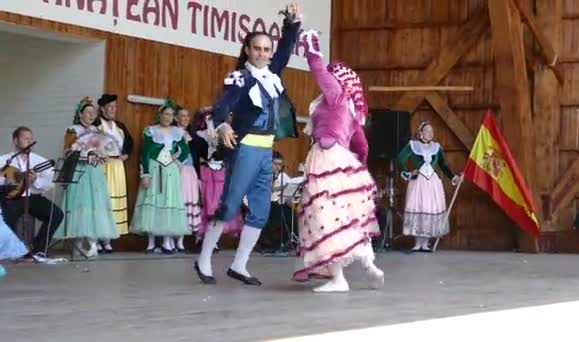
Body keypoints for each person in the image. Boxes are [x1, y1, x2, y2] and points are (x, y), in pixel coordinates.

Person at [195, 3, 302, 286]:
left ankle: (239, 265)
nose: (264, 54)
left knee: (260, 210)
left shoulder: (272, 74)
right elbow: (222, 105)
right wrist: (223, 124)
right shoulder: (239, 78)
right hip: (245, 150)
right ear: (247, 50)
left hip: (266, 150)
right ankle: (204, 259)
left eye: (267, 49)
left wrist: (291, 25)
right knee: (230, 205)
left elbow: (285, 49)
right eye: (258, 49)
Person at [291, 30, 384, 292]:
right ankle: (369, 265)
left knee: (322, 217)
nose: (327, 79)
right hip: (344, 163)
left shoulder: (335, 96)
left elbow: (318, 70)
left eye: (332, 75)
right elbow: (362, 145)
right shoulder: (352, 109)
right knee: (346, 218)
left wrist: (310, 44)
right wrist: (357, 169)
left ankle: (338, 279)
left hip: (326, 160)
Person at [54, 97, 119, 257]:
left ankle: (92, 241)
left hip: (95, 171)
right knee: (80, 202)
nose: (91, 115)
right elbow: (68, 151)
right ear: (80, 113)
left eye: (93, 113)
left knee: (95, 202)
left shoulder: (98, 131)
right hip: (79, 170)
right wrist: (82, 155)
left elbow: (105, 149)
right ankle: (77, 241)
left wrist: (102, 156)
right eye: (88, 112)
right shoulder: (73, 130)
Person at [130, 100, 190, 253]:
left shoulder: (178, 132)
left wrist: (177, 160)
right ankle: (151, 241)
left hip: (170, 171)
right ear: (160, 115)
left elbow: (184, 151)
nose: (168, 117)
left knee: (168, 201)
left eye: (171, 115)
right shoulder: (151, 131)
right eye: (165, 114)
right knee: (154, 199)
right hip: (155, 168)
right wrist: (146, 174)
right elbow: (145, 153)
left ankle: (166, 240)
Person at [0, 126, 64, 260]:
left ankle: (39, 249)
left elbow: (49, 183)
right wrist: (10, 180)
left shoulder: (40, 160)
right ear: (16, 141)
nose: (29, 142)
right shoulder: (4, 159)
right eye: (25, 139)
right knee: (4, 221)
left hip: (32, 197)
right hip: (12, 199)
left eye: (31, 139)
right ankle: (13, 251)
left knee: (56, 214)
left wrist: (36, 180)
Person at [397, 121, 462, 252]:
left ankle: (425, 243)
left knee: (429, 209)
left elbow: (443, 165)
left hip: (432, 183)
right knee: (418, 208)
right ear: (420, 133)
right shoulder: (413, 145)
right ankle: (417, 243)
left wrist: (453, 177)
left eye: (432, 131)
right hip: (418, 181)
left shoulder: (436, 147)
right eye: (427, 131)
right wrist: (407, 172)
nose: (430, 133)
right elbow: (400, 158)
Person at [96, 94, 134, 253]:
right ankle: (98, 237)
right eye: (110, 107)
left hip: (117, 166)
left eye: (114, 107)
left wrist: (125, 154)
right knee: (101, 201)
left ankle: (108, 239)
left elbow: (130, 142)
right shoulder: (97, 124)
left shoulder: (119, 126)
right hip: (102, 165)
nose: (113, 110)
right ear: (102, 109)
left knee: (114, 202)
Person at [175, 106, 202, 251]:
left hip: (190, 172)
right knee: (178, 202)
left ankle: (183, 238)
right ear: (176, 118)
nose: (185, 119)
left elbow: (197, 157)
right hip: (177, 170)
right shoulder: (173, 133)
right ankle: (174, 238)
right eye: (182, 116)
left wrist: (198, 176)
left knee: (189, 201)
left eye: (187, 116)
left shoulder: (193, 135)